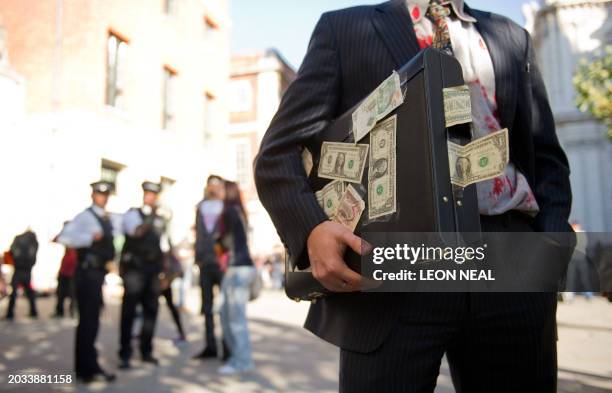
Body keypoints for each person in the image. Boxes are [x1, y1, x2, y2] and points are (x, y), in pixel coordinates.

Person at [254, 1, 573, 392]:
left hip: (510, 261)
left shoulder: (512, 38)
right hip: (395, 266)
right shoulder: (345, 29)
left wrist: (550, 245)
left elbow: (545, 157)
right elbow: (278, 153)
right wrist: (312, 229)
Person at [57, 181, 116, 383]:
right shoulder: (85, 217)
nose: (103, 197)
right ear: (93, 195)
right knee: (88, 322)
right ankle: (87, 368)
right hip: (86, 274)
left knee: (92, 322)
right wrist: (89, 237)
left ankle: (87, 367)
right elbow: (63, 237)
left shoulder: (106, 217)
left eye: (106, 194)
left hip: (98, 274)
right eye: (100, 194)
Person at [118, 181, 168, 369]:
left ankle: (146, 351)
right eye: (148, 193)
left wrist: (166, 273)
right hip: (135, 271)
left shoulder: (160, 219)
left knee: (151, 311)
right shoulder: (133, 214)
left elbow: (163, 245)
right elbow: (137, 233)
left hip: (152, 270)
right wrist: (151, 217)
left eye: (154, 194)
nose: (151, 197)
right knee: (129, 312)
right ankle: (125, 353)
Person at [218, 181, 257, 375]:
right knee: (226, 313)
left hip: (238, 269)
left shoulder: (231, 211)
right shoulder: (238, 211)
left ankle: (242, 361)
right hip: (238, 268)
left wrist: (217, 240)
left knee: (234, 318)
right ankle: (238, 358)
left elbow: (227, 242)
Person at [193, 175, 229, 360]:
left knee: (225, 308)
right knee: (206, 308)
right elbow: (198, 233)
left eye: (217, 185)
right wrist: (197, 258)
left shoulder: (227, 207)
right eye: (210, 185)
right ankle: (210, 346)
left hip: (223, 265)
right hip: (205, 263)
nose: (213, 188)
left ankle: (227, 348)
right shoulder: (200, 207)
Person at [5, 229, 38, 320]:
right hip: (27, 270)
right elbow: (34, 256)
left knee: (14, 292)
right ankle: (34, 311)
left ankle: (10, 313)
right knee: (29, 292)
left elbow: (11, 250)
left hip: (18, 269)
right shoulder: (33, 240)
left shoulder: (18, 238)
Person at [159, 249, 186, 344]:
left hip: (165, 284)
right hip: (155, 284)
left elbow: (179, 272)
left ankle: (182, 333)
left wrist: (168, 280)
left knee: (172, 308)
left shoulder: (170, 257)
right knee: (148, 310)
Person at [53, 243, 78, 318]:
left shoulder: (75, 251)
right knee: (61, 293)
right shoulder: (67, 252)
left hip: (71, 275)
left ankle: (72, 310)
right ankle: (60, 311)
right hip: (64, 274)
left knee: (72, 294)